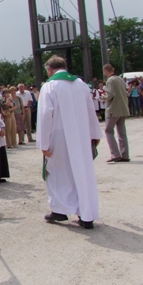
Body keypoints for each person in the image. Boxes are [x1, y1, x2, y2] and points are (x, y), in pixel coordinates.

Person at [37, 56, 102, 229]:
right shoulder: (81, 84)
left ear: (49, 69)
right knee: (81, 172)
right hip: (81, 135)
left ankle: (59, 209)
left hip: (59, 136)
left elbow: (45, 115)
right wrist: (94, 135)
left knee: (58, 173)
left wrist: (43, 143)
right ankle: (86, 214)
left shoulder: (49, 86)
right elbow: (91, 110)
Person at [103, 64, 131, 163]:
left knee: (108, 130)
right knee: (122, 132)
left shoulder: (110, 80)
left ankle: (115, 154)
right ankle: (125, 155)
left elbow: (110, 94)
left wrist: (103, 97)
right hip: (123, 109)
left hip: (113, 109)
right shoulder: (121, 79)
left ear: (105, 71)